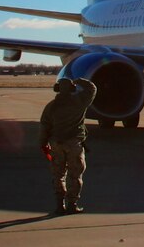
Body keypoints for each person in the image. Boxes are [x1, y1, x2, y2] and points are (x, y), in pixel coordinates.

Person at [40, 77, 97, 214]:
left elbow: (45, 126)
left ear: (58, 89)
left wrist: (43, 144)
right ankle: (72, 204)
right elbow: (92, 89)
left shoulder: (51, 106)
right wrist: (79, 80)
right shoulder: (80, 102)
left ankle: (60, 205)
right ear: (72, 89)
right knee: (75, 175)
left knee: (58, 174)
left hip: (57, 144)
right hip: (74, 144)